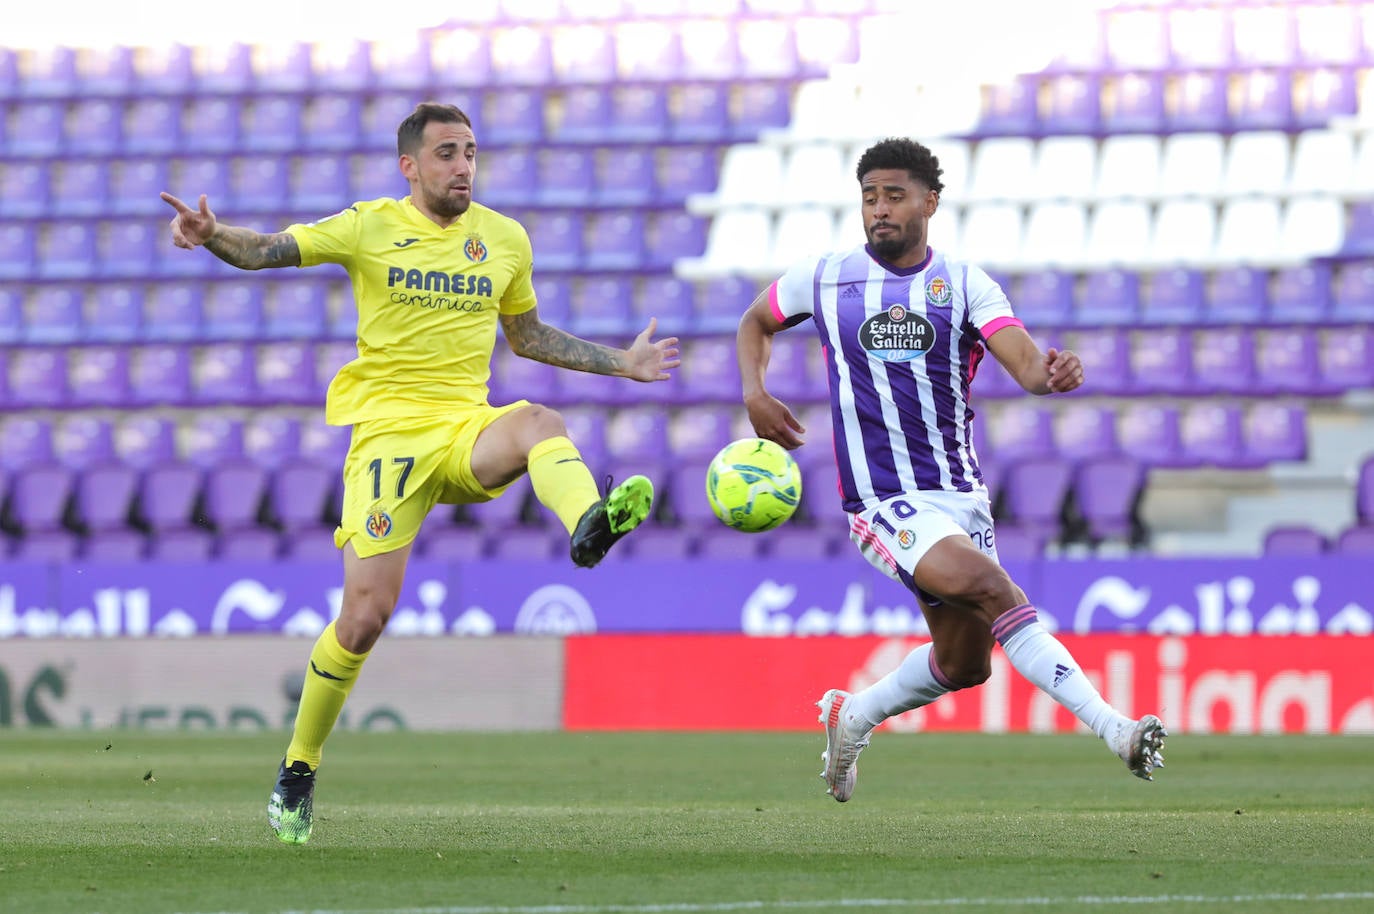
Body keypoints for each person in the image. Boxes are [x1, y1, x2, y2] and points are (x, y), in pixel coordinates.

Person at [160, 101, 680, 842]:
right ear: (410, 165)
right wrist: (214, 237)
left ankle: (589, 524)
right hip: (387, 442)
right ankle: (298, 768)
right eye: (445, 153)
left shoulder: (503, 238)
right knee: (365, 619)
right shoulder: (370, 224)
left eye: (469, 151)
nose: (462, 165)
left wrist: (618, 363)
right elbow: (267, 249)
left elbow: (525, 334)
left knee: (539, 423)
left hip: (466, 427)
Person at [735, 137, 1166, 803]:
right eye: (870, 197)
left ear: (930, 202)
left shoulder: (964, 283)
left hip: (959, 498)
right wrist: (754, 393)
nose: (880, 210)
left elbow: (1022, 362)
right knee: (996, 591)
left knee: (966, 666)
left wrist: (1050, 374)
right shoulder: (825, 276)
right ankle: (1116, 729)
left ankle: (851, 716)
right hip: (881, 502)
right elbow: (755, 322)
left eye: (895, 196)